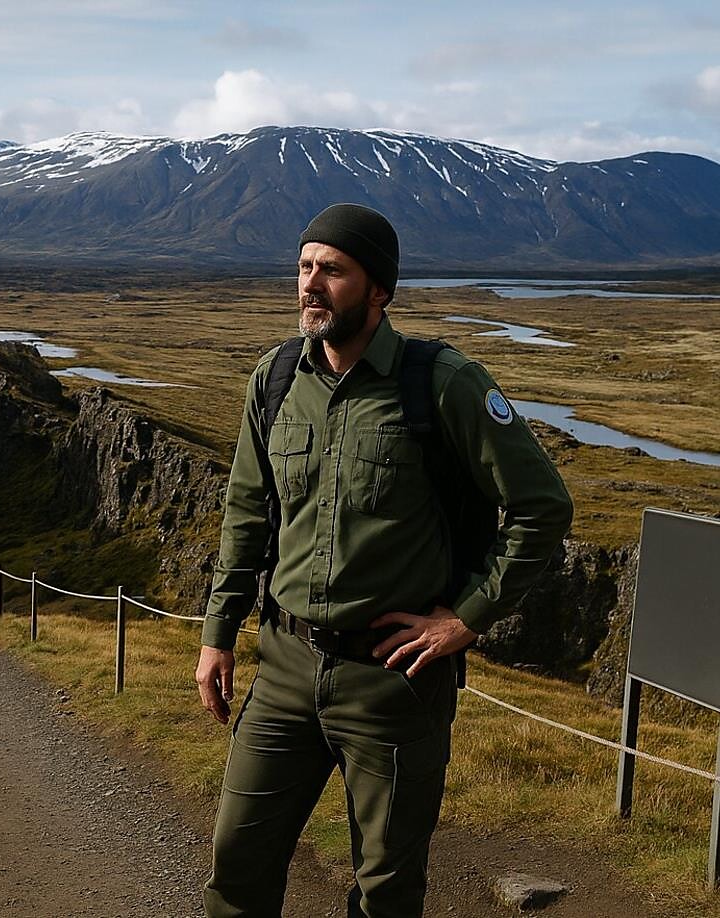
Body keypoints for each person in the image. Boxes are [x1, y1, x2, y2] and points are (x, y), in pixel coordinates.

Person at [195, 203, 574, 918]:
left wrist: (464, 620)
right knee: (236, 869)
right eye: (305, 266)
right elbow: (246, 514)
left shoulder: (443, 383)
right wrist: (218, 634)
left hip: (395, 685)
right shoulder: (274, 379)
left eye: (332, 270)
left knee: (386, 892)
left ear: (380, 290)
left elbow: (542, 507)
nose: (311, 283)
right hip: (283, 670)